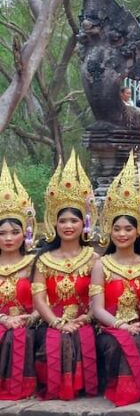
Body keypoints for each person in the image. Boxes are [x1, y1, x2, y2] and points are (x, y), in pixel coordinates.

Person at [90, 153, 140, 406]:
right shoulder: (102, 264)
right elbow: (97, 308)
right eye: (117, 229)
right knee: (118, 343)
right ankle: (122, 392)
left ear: (139, 230)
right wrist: (120, 325)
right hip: (111, 327)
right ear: (109, 230)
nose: (122, 233)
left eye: (128, 228)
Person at [32, 151, 100, 400]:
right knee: (56, 339)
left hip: (86, 321)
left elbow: (97, 299)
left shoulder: (93, 258)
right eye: (63, 221)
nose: (69, 226)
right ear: (54, 223)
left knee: (81, 338)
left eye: (74, 220)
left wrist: (85, 319)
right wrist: (57, 322)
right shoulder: (44, 260)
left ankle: (83, 387)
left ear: (85, 224)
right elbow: (39, 299)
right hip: (51, 321)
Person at [0, 162, 37, 400]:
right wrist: (4, 318)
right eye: (2, 233)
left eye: (14, 232)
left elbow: (45, 301)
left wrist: (28, 318)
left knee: (22, 336)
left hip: (29, 323)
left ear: (26, 233)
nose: (9, 238)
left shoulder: (35, 264)